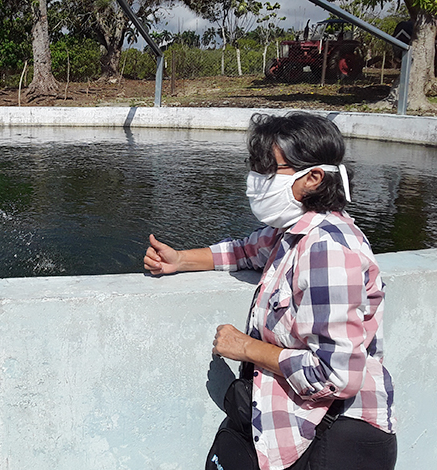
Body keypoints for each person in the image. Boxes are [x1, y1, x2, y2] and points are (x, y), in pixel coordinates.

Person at [144, 112, 396, 470]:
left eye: (268, 169)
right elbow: (244, 251)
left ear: (313, 178)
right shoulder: (292, 233)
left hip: (334, 440)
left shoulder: (328, 250)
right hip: (290, 423)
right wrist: (180, 259)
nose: (256, 180)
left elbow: (335, 373)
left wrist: (245, 347)